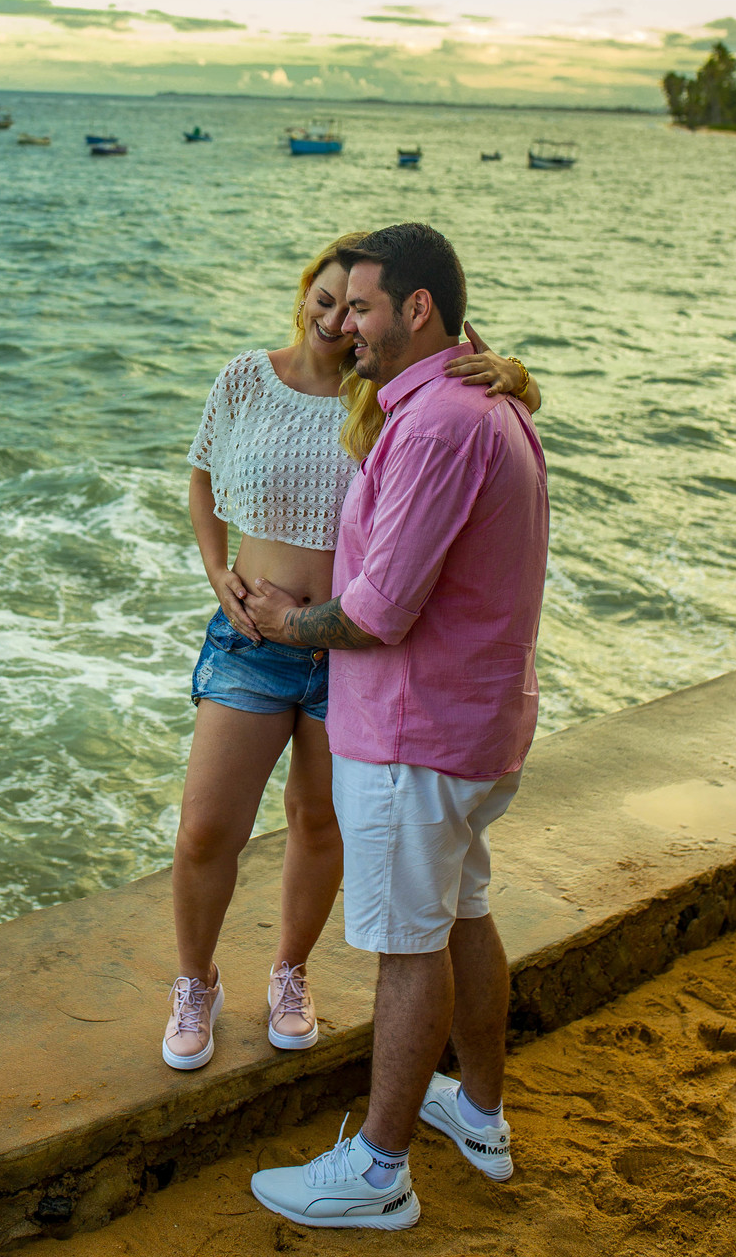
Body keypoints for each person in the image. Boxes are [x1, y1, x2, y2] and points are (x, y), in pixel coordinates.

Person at [164, 232, 540, 1073]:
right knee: (203, 830)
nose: (337, 320)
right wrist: (217, 569)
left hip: (355, 654)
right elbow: (199, 472)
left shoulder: (381, 389)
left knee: (318, 820)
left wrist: (512, 371)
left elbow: (469, 374)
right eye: (325, 300)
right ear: (304, 295)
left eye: (354, 304)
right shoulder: (244, 378)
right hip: (255, 639)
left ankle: (290, 974)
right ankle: (194, 981)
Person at [244, 222, 549, 1231]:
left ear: (417, 309)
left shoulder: (439, 426)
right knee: (459, 915)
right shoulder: (473, 403)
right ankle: (482, 1114)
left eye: (364, 309)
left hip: (416, 737)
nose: (346, 332)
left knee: (408, 943)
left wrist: (290, 623)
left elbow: (378, 610)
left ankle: (379, 1172)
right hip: (467, 726)